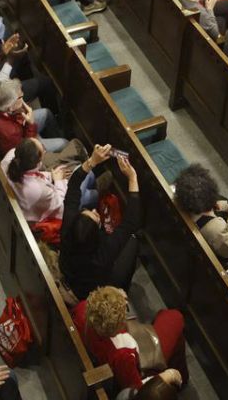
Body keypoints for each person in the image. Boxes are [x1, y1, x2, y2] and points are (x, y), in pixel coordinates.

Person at [59, 148, 142, 300]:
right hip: (87, 292)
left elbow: (73, 188)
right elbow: (131, 222)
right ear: (97, 235)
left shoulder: (67, 230)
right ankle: (123, 290)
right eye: (97, 217)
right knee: (132, 242)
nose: (95, 211)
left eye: (88, 211)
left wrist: (92, 161)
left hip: (69, 273)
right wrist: (132, 178)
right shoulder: (103, 252)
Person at [75, 285, 184, 394]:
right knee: (174, 317)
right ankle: (179, 377)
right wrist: (168, 375)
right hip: (139, 363)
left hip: (93, 355)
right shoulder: (122, 354)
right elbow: (137, 390)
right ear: (118, 325)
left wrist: (115, 296)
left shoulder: (82, 308)